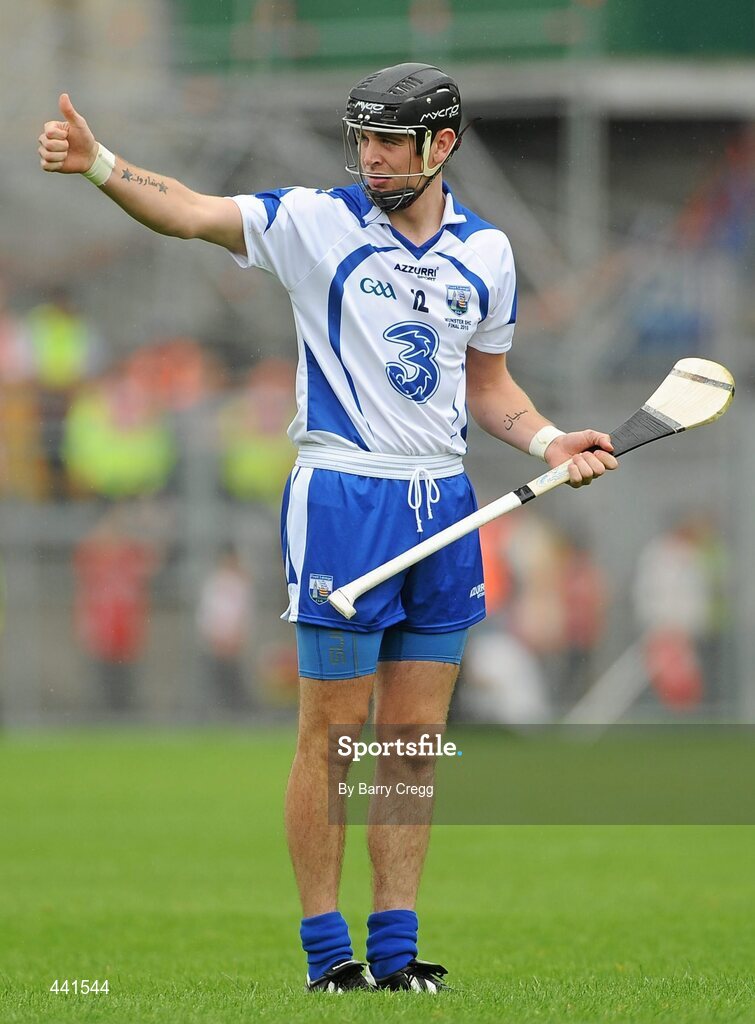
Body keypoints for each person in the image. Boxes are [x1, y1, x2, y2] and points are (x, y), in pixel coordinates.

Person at [39, 62, 618, 992]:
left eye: (391, 140)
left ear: (443, 145)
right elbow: (189, 211)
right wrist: (103, 163)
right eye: (364, 139)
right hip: (345, 498)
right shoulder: (316, 222)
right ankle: (326, 954)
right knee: (333, 736)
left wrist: (550, 442)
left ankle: (395, 951)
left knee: (412, 739)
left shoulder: (490, 253)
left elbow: (489, 389)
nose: (373, 157)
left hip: (444, 500)